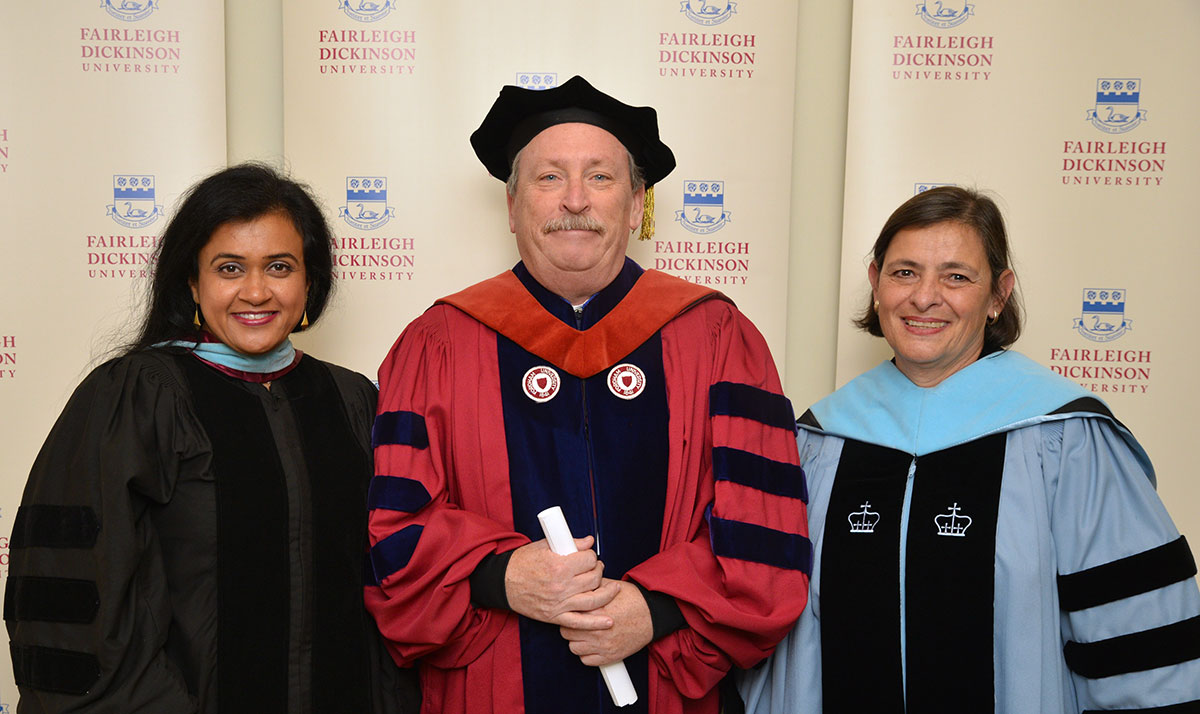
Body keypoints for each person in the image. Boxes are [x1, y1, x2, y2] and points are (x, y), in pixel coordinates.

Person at [364, 76, 811, 714]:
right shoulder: (438, 343)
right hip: (493, 685)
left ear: (636, 206)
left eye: (600, 178)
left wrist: (654, 610)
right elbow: (395, 534)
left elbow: (765, 535)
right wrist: (500, 578)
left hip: (665, 679)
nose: (575, 200)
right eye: (549, 179)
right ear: (511, 206)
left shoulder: (716, 337)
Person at [738, 186, 1200, 713]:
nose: (924, 297)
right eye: (904, 272)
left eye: (956, 276)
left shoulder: (1066, 440)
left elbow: (1139, 638)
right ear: (875, 283)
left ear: (998, 295)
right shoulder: (820, 443)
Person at [4, 164, 420, 713]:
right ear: (192, 283)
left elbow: (385, 589)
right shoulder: (135, 397)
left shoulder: (350, 400)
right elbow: (79, 603)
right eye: (229, 268)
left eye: (279, 266)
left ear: (309, 282)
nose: (255, 291)